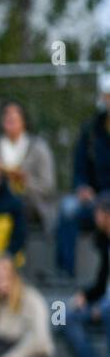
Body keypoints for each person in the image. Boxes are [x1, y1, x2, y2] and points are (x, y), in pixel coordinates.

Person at [56, 72, 110, 278]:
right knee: (68, 209)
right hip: (94, 199)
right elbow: (79, 168)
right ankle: (63, 272)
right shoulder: (89, 131)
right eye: (108, 96)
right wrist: (82, 187)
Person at [0, 100, 57, 235]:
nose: (10, 119)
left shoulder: (39, 148)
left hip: (31, 204)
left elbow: (48, 186)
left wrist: (24, 180)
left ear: (24, 121)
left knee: (16, 206)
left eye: (14, 117)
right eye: (6, 116)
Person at [61, 194, 110, 357]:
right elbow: (101, 283)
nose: (94, 217)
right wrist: (84, 296)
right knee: (64, 315)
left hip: (107, 307)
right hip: (103, 302)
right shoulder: (104, 242)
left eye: (98, 213)